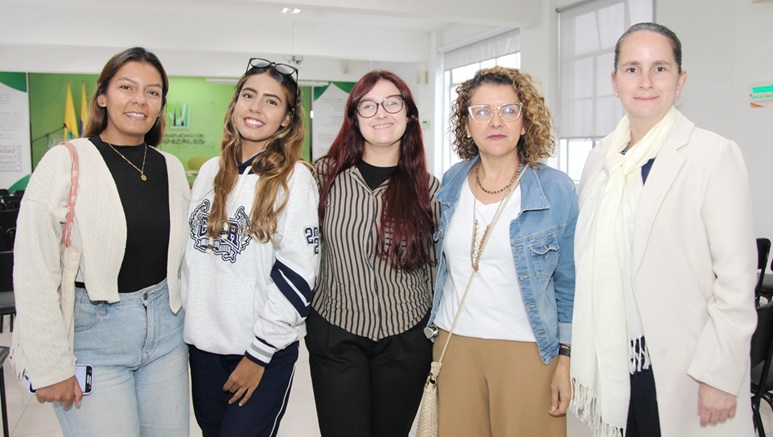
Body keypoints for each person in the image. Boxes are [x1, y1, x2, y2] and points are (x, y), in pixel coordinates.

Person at [570, 22, 757, 437]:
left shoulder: (712, 155)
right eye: (632, 69)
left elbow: (737, 281)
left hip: (686, 365)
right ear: (614, 82)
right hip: (614, 357)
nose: (646, 82)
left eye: (660, 68)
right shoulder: (601, 158)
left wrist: (719, 373)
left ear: (680, 79)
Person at [13, 47, 191, 436]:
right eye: (127, 87)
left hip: (166, 335)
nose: (140, 99)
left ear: (161, 105)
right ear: (102, 96)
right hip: (94, 336)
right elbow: (33, 267)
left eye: (153, 91)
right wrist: (50, 365)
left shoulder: (171, 167)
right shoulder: (65, 161)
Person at [425, 66, 577, 436]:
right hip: (455, 342)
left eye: (509, 110)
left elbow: (570, 282)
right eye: (482, 111)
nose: (496, 121)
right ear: (466, 125)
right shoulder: (452, 181)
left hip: (527, 348)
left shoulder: (555, 189)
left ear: (525, 122)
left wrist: (567, 360)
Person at [181, 58, 319, 437]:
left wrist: (258, 354)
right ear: (235, 104)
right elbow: (192, 263)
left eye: (271, 102)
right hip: (204, 347)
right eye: (249, 95)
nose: (256, 108)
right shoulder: (210, 171)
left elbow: (298, 275)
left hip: (261, 352)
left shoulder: (295, 178)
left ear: (288, 119)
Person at [307, 70, 439, 437]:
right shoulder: (322, 178)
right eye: (368, 105)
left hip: (406, 338)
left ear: (409, 113)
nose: (381, 113)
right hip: (336, 333)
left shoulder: (430, 191)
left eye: (392, 102)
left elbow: (438, 267)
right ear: (354, 117)